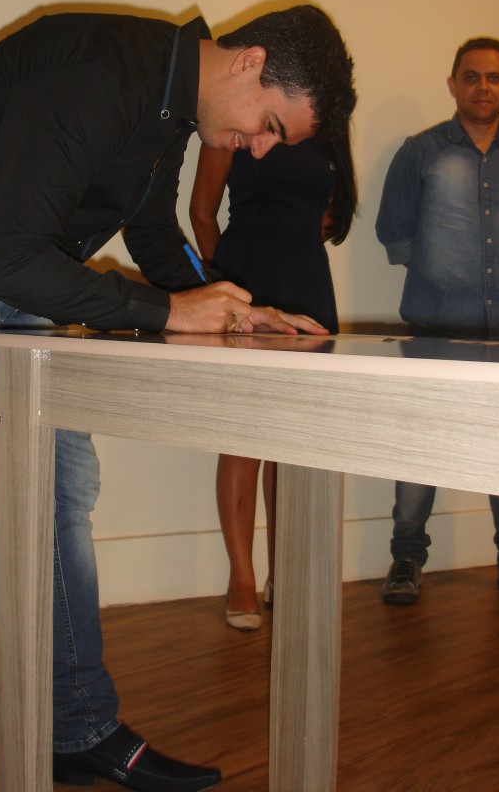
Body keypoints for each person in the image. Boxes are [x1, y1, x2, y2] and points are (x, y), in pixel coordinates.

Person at [0, 4, 356, 792]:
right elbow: (10, 255)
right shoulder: (106, 73)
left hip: (9, 262)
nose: (258, 148)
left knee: (64, 487)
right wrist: (168, 311)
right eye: (271, 127)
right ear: (250, 64)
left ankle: (78, 727)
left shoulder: (172, 102)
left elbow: (148, 229)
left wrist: (230, 306)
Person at [375, 36, 499, 608]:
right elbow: (394, 231)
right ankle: (406, 560)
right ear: (453, 84)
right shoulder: (421, 152)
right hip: (435, 329)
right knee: (420, 447)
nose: (484, 86)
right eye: (472, 76)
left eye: (494, 77)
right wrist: (445, 274)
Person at [190, 130, 356, 630]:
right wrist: (228, 290)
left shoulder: (327, 126)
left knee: (293, 443)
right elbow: (201, 212)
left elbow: (327, 214)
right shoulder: (237, 120)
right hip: (248, 280)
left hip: (308, 285)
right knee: (242, 438)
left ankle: (284, 571)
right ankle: (241, 578)